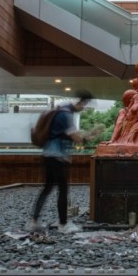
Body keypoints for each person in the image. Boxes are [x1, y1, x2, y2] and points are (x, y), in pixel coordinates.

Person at [28, 91, 96, 233]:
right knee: (63, 189)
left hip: (48, 154)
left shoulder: (60, 110)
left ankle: (33, 221)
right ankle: (63, 224)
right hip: (58, 157)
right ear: (81, 102)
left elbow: (66, 135)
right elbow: (75, 137)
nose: (83, 108)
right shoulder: (66, 115)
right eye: (84, 105)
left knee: (47, 188)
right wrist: (87, 137)